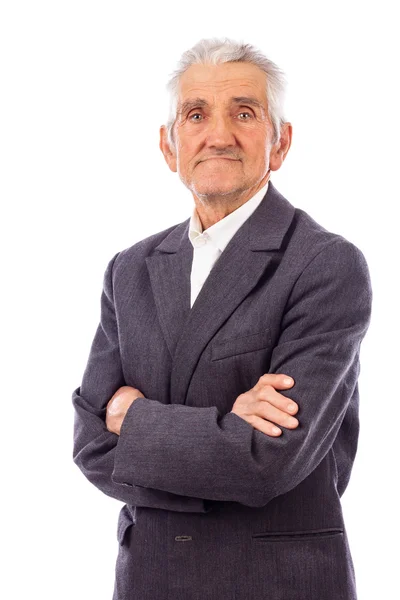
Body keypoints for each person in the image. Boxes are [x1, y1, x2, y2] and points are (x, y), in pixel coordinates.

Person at [72, 37, 372, 600]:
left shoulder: (326, 265)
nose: (218, 134)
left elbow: (265, 460)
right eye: (195, 114)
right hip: (150, 582)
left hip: (279, 585)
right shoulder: (130, 270)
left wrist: (134, 421)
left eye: (244, 113)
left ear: (279, 143)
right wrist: (224, 430)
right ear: (169, 147)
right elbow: (91, 444)